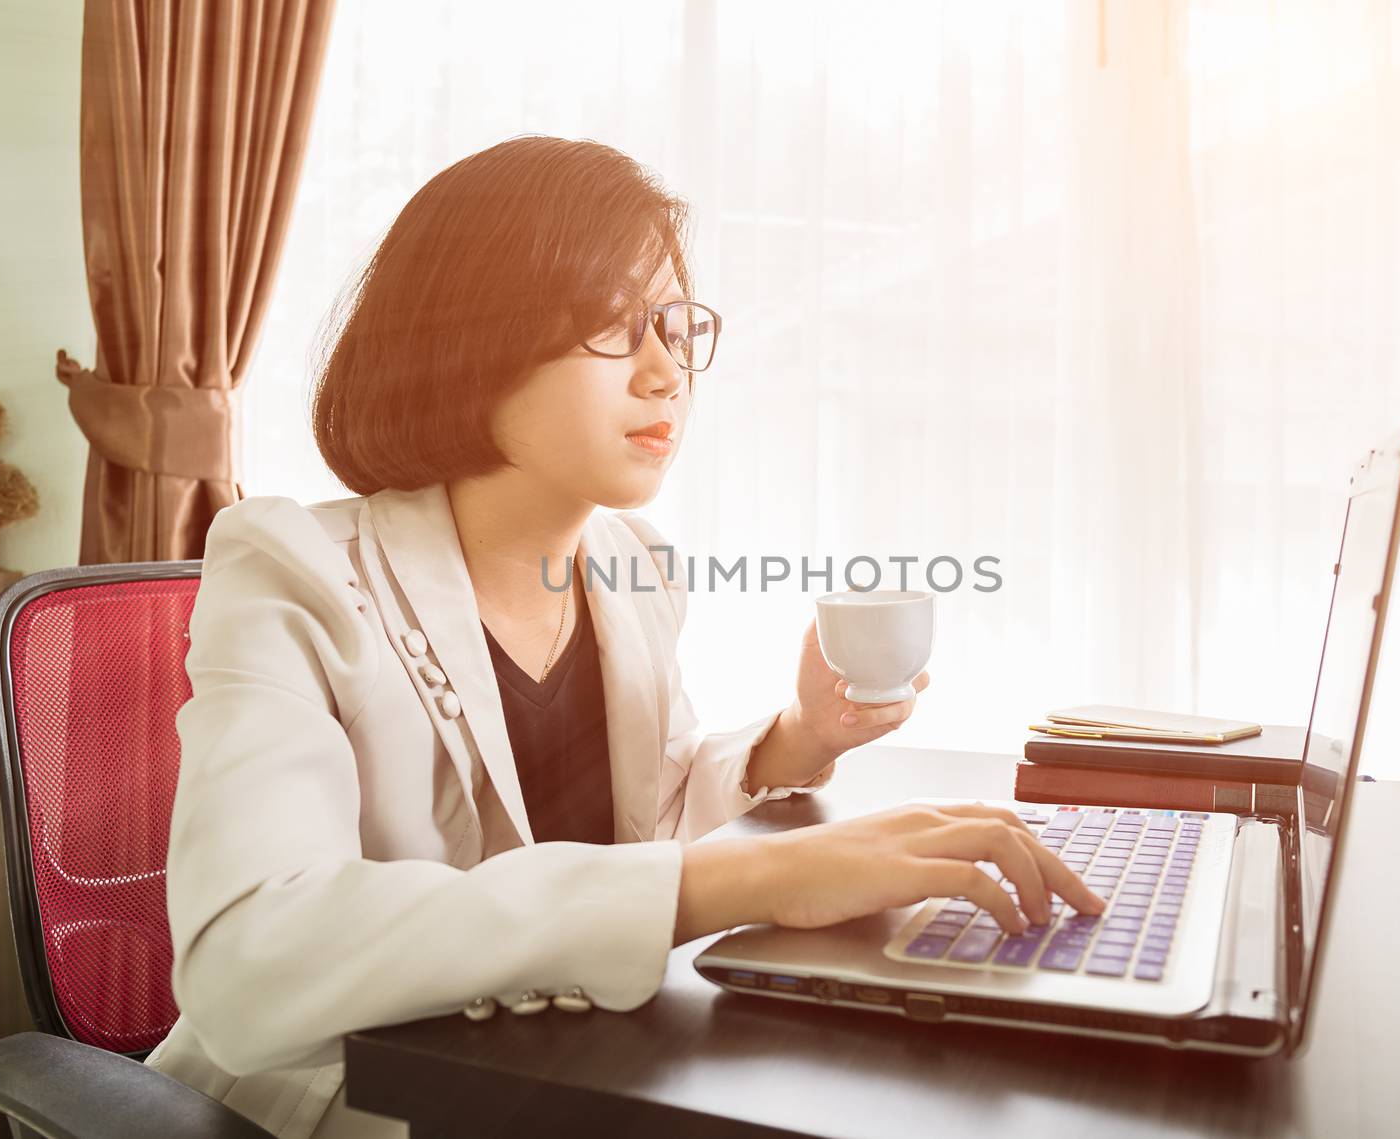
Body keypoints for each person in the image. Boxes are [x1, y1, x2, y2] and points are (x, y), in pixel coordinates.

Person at [143, 135, 1104, 1139]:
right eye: (611, 322)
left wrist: (798, 739)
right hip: (349, 1102)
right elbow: (252, 956)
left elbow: (641, 816)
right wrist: (744, 878)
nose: (665, 372)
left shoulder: (631, 563)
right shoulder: (292, 565)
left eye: (674, 324)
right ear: (469, 338)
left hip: (559, 1070)